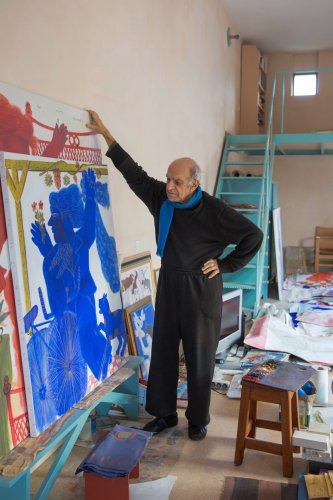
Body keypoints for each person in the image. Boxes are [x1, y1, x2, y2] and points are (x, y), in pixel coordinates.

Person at [86, 110, 263, 441]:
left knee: (199, 359)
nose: (169, 186)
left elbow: (253, 236)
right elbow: (133, 173)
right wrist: (108, 136)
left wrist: (225, 265)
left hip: (201, 288)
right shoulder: (161, 199)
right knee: (164, 352)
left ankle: (197, 420)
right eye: (168, 178)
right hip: (169, 282)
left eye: (177, 182)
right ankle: (164, 414)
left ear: (194, 184)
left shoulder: (214, 211)